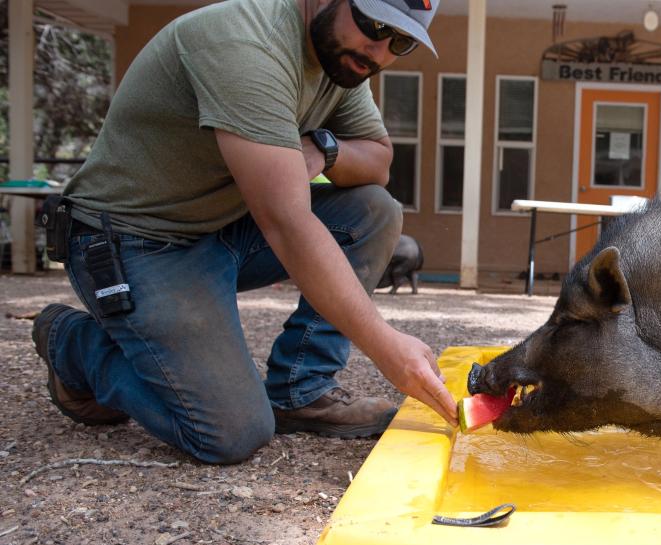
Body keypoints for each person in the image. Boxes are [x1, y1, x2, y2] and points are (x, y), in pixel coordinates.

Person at [31, 0, 458, 464]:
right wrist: (385, 344)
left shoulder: (341, 62)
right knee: (229, 433)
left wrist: (322, 147)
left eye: (401, 41)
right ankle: (72, 342)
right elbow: (285, 223)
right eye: (372, 23)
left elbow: (378, 162)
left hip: (220, 228)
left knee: (373, 210)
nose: (378, 49)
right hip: (135, 241)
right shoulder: (246, 44)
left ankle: (302, 390)